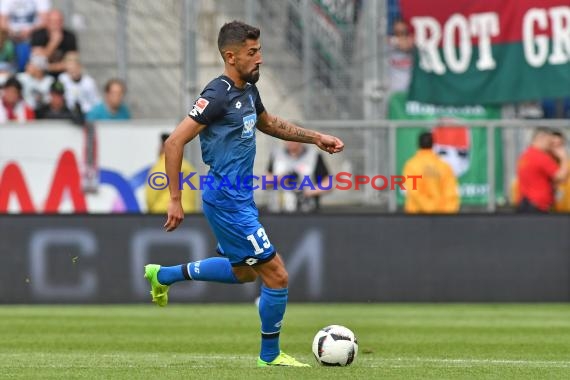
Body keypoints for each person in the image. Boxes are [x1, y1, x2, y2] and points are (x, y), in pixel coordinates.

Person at [143, 21, 344, 368]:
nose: (260, 59)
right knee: (277, 275)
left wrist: (315, 137)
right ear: (231, 56)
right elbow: (174, 142)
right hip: (225, 200)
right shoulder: (217, 95)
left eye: (260, 50)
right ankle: (269, 356)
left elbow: (269, 123)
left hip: (240, 198)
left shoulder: (249, 90)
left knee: (246, 272)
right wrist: (175, 199)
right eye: (252, 53)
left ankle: (163, 275)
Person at [266, 140, 332, 212]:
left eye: (293, 139)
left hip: (307, 211)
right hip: (279, 211)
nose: (290, 142)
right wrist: (280, 179)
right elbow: (265, 182)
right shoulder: (276, 154)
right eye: (287, 138)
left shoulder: (314, 155)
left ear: (300, 139)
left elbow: (329, 183)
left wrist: (308, 192)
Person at [402, 131, 460, 213]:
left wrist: (428, 207)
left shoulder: (411, 165)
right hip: (440, 215)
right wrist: (448, 214)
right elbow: (450, 192)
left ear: (418, 145)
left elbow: (413, 190)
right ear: (433, 144)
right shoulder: (444, 166)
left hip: (416, 216)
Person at [516, 127, 568, 213]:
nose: (550, 146)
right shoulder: (541, 157)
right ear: (542, 138)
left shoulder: (527, 155)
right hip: (537, 205)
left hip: (526, 202)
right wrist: (564, 157)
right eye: (549, 142)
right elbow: (561, 176)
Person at [146, 133, 198, 214]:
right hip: (188, 213)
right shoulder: (189, 167)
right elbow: (195, 194)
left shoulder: (158, 167)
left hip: (163, 213)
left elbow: (150, 198)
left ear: (163, 147)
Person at [31, 9, 78, 77]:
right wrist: (53, 43)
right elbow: (38, 61)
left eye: (59, 21)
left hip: (63, 73)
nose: (56, 25)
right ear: (47, 22)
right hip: (42, 73)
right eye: (54, 22)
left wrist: (49, 67)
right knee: (33, 68)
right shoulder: (38, 35)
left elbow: (72, 60)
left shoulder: (69, 36)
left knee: (74, 68)